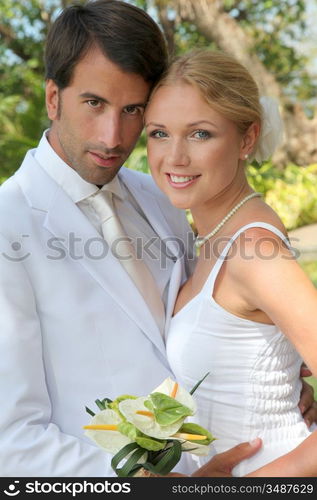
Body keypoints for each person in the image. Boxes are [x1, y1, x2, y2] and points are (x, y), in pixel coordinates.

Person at [0, 0, 314, 478]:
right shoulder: (9, 224)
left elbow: (222, 323)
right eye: (93, 103)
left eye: (133, 111)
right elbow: (11, 441)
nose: (112, 136)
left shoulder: (163, 199)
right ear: (52, 98)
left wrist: (275, 377)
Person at [144, 48, 317, 477]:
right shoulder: (210, 238)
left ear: (247, 139)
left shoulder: (251, 250)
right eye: (159, 133)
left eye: (200, 134)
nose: (175, 157)